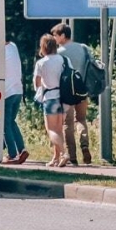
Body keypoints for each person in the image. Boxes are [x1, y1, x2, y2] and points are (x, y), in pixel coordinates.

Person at [51, 22, 93, 165]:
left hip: (67, 91)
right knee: (81, 120)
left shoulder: (60, 53)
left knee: (67, 124)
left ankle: (72, 157)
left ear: (63, 36)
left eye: (55, 35)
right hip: (82, 89)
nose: (54, 39)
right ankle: (85, 145)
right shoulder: (84, 48)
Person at [33, 33, 70, 167]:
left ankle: (64, 153)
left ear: (43, 47)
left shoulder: (41, 63)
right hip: (64, 98)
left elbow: (37, 83)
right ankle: (56, 158)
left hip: (50, 98)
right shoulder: (64, 60)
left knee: (51, 130)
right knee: (59, 129)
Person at [2, 40, 29, 164]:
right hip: (18, 90)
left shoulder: (0, 51)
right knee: (12, 122)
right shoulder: (13, 46)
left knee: (5, 124)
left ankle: (12, 154)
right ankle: (22, 149)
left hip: (7, 92)